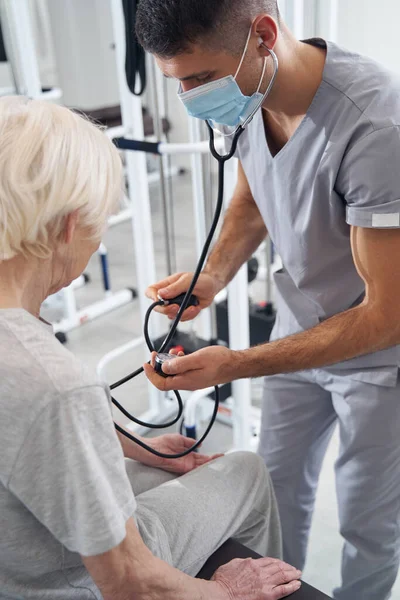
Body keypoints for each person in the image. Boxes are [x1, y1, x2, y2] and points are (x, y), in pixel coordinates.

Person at [137, 1, 400, 599]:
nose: (188, 96)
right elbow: (253, 201)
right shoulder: (246, 95)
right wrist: (211, 277)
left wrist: (238, 364)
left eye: (198, 78)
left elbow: (388, 315)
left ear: (263, 36)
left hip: (382, 358)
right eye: (176, 81)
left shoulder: (376, 125)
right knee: (276, 494)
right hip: (298, 330)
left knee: (369, 522)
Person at [0, 96, 302, 600]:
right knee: (245, 470)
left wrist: (141, 450)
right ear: (71, 224)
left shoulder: (38, 371)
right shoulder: (53, 383)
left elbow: (33, 433)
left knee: (149, 465)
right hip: (66, 584)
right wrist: (228, 591)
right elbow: (132, 586)